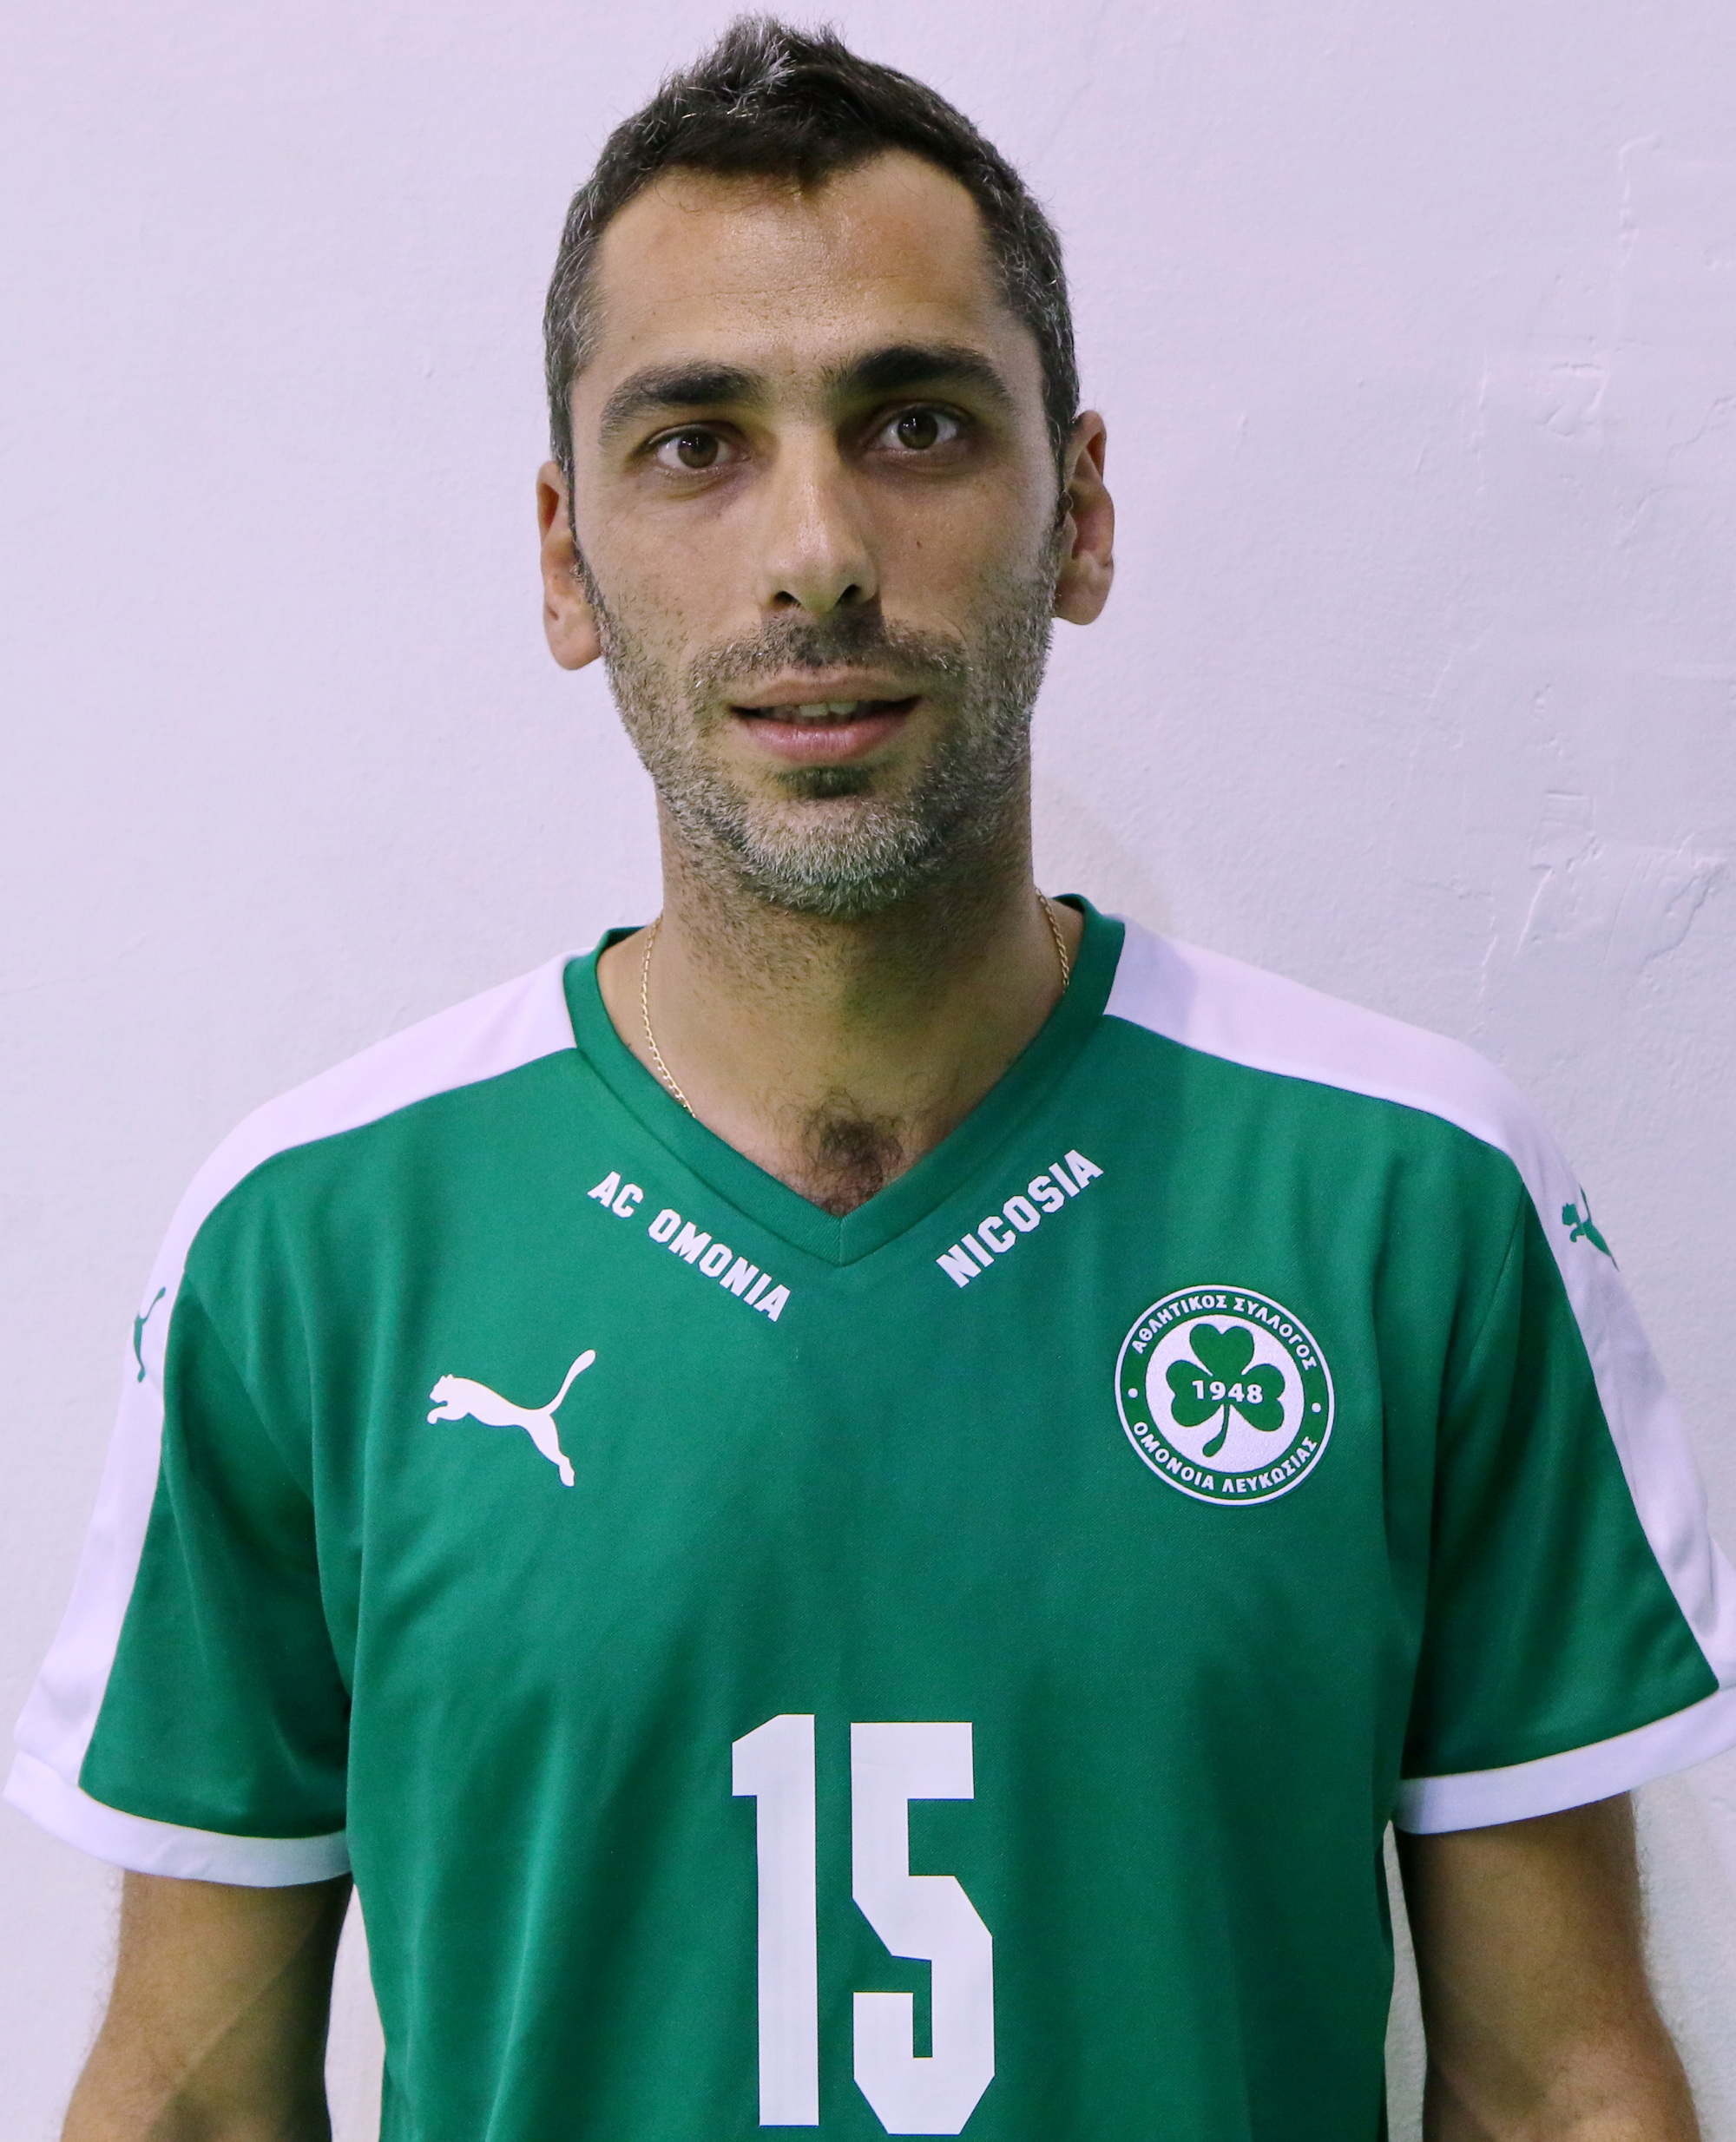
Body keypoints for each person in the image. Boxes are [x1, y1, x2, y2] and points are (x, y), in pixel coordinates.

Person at [10, 18, 1735, 2140]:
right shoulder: (315, 1248)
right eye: (695, 444)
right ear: (563, 555)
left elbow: (1558, 2088)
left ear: (1075, 513)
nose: (814, 550)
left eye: (914, 425)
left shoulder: (1407, 1201)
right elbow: (188, 2105)